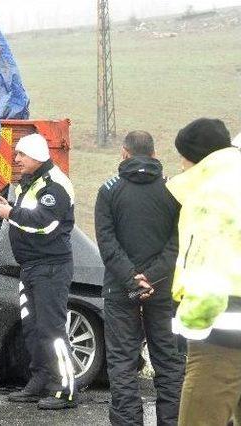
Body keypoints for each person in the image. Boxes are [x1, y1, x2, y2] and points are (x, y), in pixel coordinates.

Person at [94, 131, 184, 425]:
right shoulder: (174, 190)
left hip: (120, 290)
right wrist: (153, 278)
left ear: (124, 153)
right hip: (163, 290)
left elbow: (106, 243)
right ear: (154, 155)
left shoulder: (108, 191)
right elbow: (177, 241)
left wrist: (132, 279)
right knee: (169, 362)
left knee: (122, 361)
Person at [0, 133, 77, 410]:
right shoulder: (32, 183)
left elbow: (45, 224)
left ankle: (65, 390)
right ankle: (39, 380)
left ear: (35, 156)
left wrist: (11, 214)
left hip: (51, 267)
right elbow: (28, 215)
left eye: (20, 155)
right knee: (33, 329)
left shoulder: (55, 186)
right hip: (30, 266)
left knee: (52, 329)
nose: (16, 160)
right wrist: (9, 208)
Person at [166, 118, 241, 425]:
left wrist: (192, 325)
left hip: (221, 336)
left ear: (193, 157)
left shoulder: (214, 189)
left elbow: (208, 261)